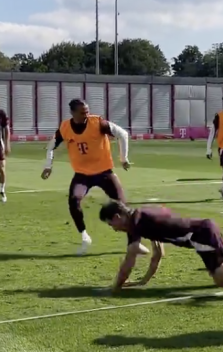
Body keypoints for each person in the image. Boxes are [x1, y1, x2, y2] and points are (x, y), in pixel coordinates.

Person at [98, 201, 223, 292]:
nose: (113, 229)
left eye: (110, 224)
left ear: (117, 217)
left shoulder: (137, 224)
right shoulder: (140, 218)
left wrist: (114, 287)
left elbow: (129, 260)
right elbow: (157, 253)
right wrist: (144, 281)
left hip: (201, 235)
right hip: (204, 231)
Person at [41, 99, 148, 256]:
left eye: (87, 111)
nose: (86, 115)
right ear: (73, 113)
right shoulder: (65, 127)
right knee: (73, 201)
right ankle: (85, 237)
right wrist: (48, 166)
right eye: (82, 112)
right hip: (82, 175)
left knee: (123, 206)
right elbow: (51, 146)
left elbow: (122, 134)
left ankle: (134, 243)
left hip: (104, 172)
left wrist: (123, 158)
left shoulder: (98, 123)